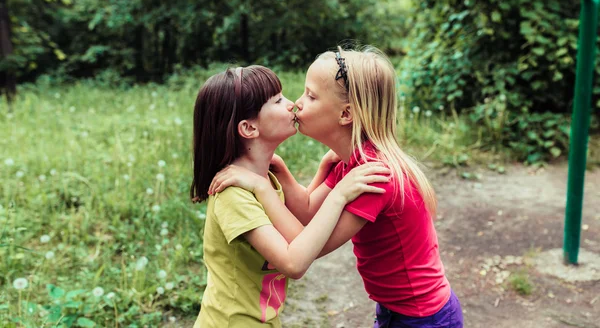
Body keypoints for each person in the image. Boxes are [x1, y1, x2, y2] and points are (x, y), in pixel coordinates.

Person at [210, 47, 464, 328]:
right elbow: (308, 212)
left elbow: (307, 245)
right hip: (398, 310)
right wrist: (283, 172)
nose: (297, 103)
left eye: (311, 96)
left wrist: (261, 187)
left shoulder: (374, 177)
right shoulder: (351, 164)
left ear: (345, 114)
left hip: (423, 317)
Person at [190, 65, 390, 328]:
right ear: (249, 128)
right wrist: (339, 195)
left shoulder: (265, 178)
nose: (291, 104)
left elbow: (299, 231)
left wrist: (322, 172)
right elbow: (294, 261)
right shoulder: (234, 194)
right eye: (277, 100)